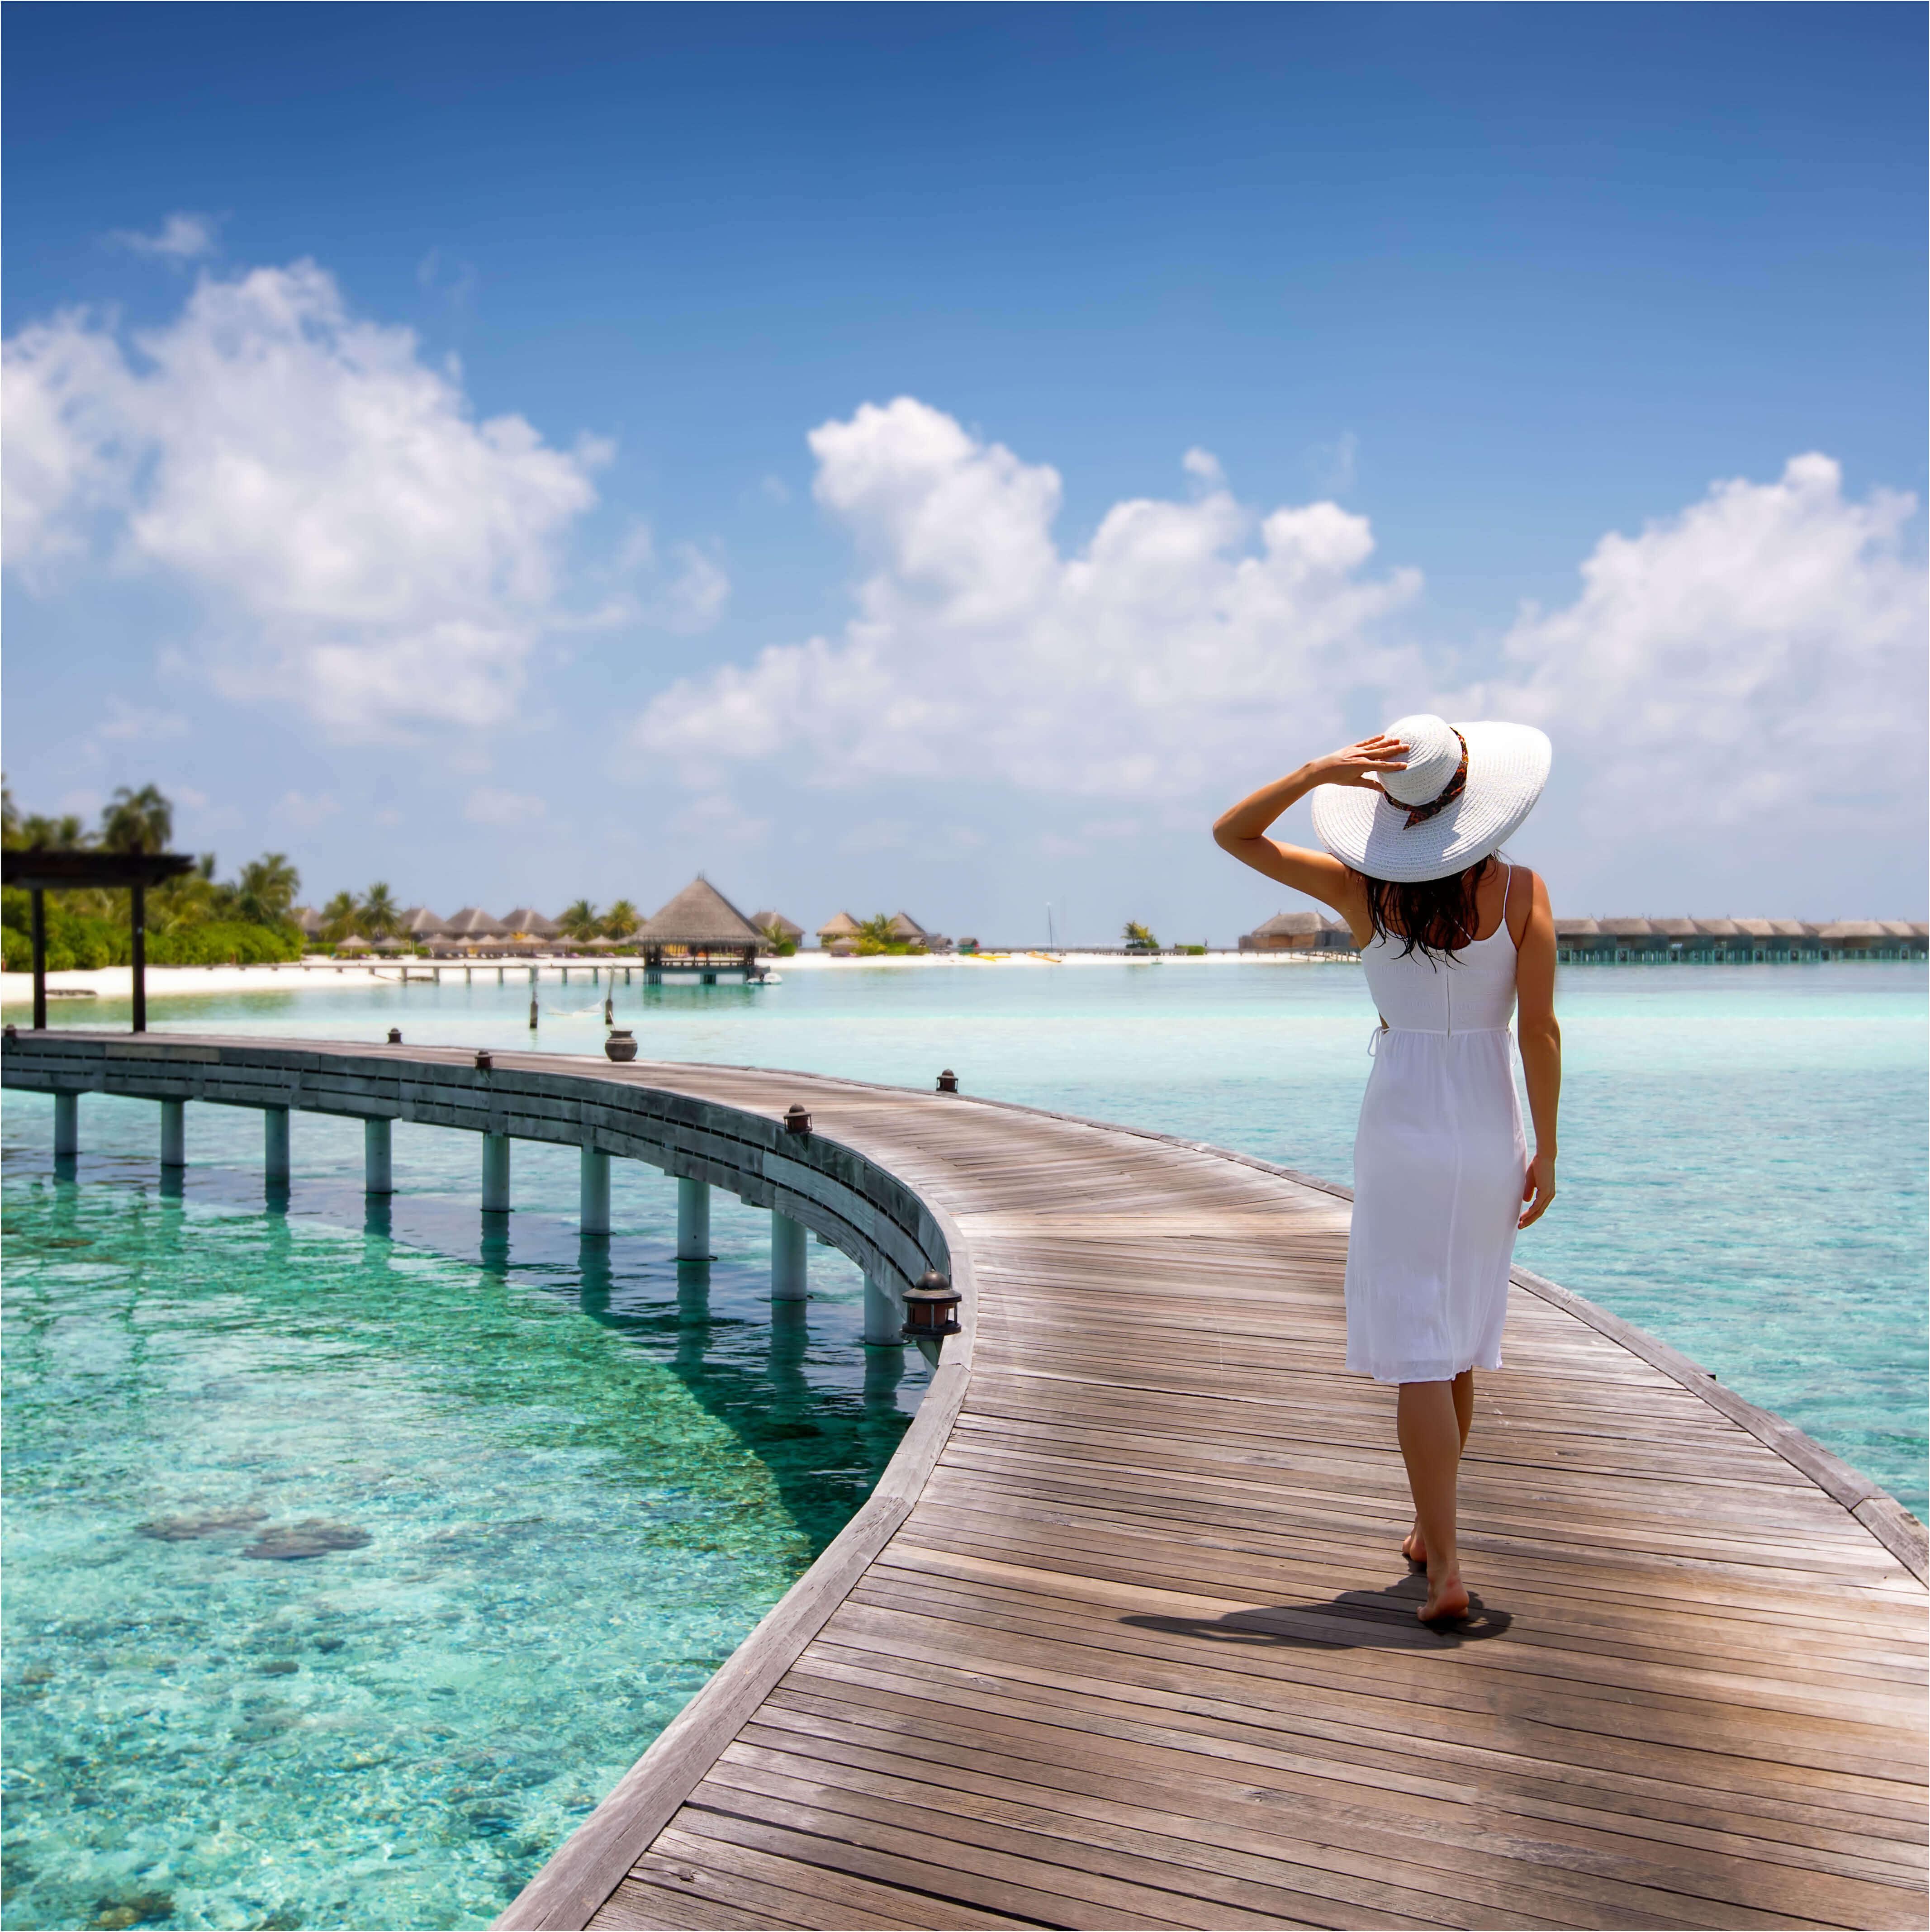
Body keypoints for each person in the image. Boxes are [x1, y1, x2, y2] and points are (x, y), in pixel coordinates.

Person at [1213, 715, 1560, 1623]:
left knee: (1421, 1348)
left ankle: (1444, 1565)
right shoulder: (1522, 890)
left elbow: (1231, 834)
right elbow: (1539, 1032)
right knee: (1457, 1343)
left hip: (1403, 1121)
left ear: (1391, 808)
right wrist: (1549, 1150)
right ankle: (1426, 1531)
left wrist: (1314, 769)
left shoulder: (1361, 891)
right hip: (1489, 1125)